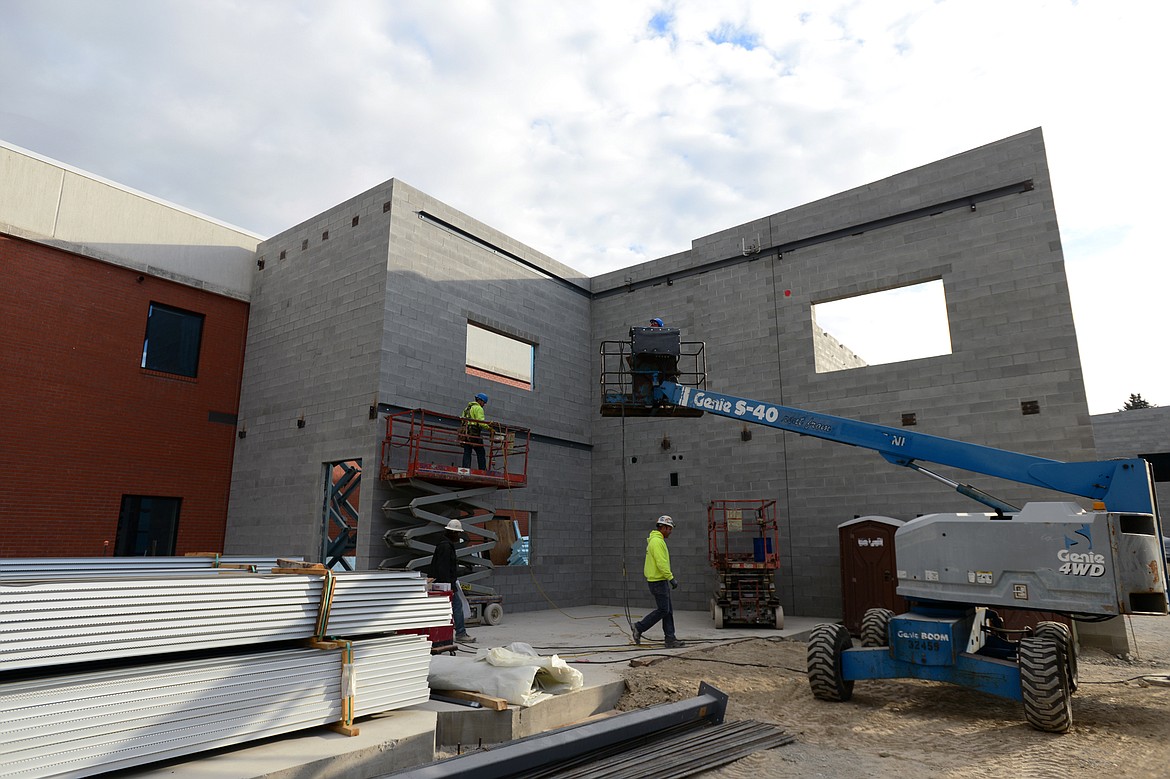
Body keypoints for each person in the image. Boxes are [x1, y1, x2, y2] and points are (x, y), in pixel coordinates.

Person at [632, 515, 685, 648]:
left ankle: (670, 639)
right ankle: (639, 627)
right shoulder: (657, 542)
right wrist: (671, 578)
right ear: (664, 527)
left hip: (659, 580)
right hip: (658, 581)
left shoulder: (657, 540)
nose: (671, 532)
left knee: (668, 610)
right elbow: (661, 563)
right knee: (663, 609)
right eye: (670, 529)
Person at [429, 518, 475, 642]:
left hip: (442, 583)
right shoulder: (446, 546)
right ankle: (460, 633)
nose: (459, 536)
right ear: (453, 533)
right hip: (445, 584)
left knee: (447, 608)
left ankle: (444, 633)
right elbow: (443, 568)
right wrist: (450, 587)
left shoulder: (444, 544)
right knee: (457, 605)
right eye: (458, 533)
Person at [460, 392, 490, 470]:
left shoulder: (467, 408)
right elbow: (481, 423)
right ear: (480, 401)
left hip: (465, 433)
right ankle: (482, 470)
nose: (484, 405)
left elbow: (462, 420)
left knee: (467, 451)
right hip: (474, 433)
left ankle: (465, 468)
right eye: (484, 402)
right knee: (481, 452)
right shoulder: (478, 408)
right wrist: (490, 428)